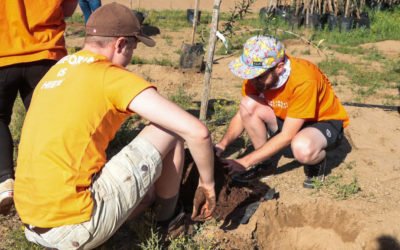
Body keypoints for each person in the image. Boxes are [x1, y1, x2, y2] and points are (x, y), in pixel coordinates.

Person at [14, 3, 215, 249]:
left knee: (147, 196)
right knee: (170, 128)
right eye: (133, 46)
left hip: (32, 221)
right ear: (120, 44)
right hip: (72, 226)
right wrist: (208, 184)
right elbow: (198, 132)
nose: (131, 56)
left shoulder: (58, 69)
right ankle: (169, 223)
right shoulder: (111, 76)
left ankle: (143, 213)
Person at [215, 36, 349, 189]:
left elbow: (287, 135)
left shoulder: (304, 79)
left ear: (279, 67)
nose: (252, 80)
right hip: (287, 117)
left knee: (302, 148)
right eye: (250, 75)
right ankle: (266, 165)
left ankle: (317, 162)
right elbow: (242, 114)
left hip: (322, 121)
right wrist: (222, 145)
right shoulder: (257, 76)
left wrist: (244, 162)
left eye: (258, 76)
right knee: (248, 104)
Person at [0, 0, 79, 214]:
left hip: (3, 53)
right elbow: (69, 10)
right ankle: (49, 186)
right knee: (47, 122)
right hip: (46, 52)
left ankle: (5, 182)